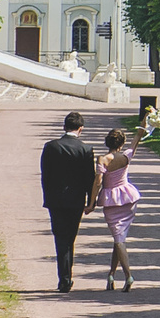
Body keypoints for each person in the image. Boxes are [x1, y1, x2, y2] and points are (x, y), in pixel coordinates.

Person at [39, 112, 97, 292]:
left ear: (64, 127)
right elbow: (90, 178)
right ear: (81, 129)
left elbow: (45, 175)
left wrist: (48, 196)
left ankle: (64, 278)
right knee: (70, 238)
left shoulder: (50, 147)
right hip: (76, 200)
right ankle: (66, 277)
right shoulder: (86, 149)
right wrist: (91, 202)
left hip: (56, 200)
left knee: (60, 238)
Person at [96, 123, 147, 290]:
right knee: (119, 238)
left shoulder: (103, 159)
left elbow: (98, 182)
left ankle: (128, 276)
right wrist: (146, 118)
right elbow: (138, 136)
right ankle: (111, 274)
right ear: (121, 143)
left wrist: (91, 203)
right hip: (128, 198)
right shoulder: (126, 156)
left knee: (118, 238)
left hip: (111, 200)